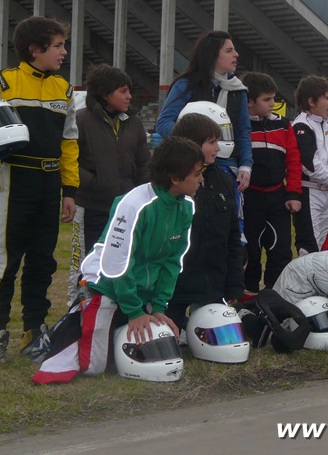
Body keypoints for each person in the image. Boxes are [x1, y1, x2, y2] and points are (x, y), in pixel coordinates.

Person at [0, 16, 78, 364]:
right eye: (58, 46)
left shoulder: (64, 90)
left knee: (43, 261)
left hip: (51, 184)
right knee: (6, 260)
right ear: (35, 49)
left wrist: (70, 190)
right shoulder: (2, 82)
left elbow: (69, 143)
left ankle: (34, 330)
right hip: (16, 179)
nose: (64, 52)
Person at [32, 136, 203, 384]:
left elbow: (172, 262)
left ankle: (115, 320)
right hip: (105, 282)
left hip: (138, 290)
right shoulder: (133, 204)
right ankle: (65, 327)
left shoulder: (186, 206)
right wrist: (134, 312)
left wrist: (158, 308)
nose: (201, 179)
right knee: (93, 366)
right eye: (197, 174)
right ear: (175, 178)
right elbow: (115, 265)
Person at [69, 64, 149, 304]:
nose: (129, 96)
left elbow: (144, 162)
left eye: (129, 90)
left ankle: (114, 309)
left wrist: (143, 195)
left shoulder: (134, 122)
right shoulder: (80, 120)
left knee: (122, 260)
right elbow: (70, 160)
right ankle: (76, 310)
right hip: (91, 206)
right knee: (85, 262)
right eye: (123, 91)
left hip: (125, 209)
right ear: (105, 94)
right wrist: (95, 183)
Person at [165, 113, 246, 328]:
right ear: (191, 144)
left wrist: (234, 285)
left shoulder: (224, 181)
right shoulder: (171, 185)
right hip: (173, 290)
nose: (218, 148)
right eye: (211, 142)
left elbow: (232, 238)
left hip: (213, 288)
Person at [153, 30, 252, 191]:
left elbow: (243, 132)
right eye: (229, 50)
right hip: (190, 166)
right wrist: (192, 143)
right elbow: (164, 122)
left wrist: (246, 166)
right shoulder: (186, 84)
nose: (236, 54)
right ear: (212, 55)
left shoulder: (239, 90)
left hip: (227, 166)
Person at [239, 72, 302, 299]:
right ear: (250, 102)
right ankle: (248, 299)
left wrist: (293, 193)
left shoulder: (284, 125)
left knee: (281, 251)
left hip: (278, 198)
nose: (272, 103)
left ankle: (276, 298)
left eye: (274, 98)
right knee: (251, 252)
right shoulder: (240, 127)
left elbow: (293, 161)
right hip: (250, 199)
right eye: (266, 99)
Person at [291, 75, 328, 255]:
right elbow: (310, 166)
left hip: (326, 191)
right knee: (308, 244)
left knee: (322, 245)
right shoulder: (301, 126)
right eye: (327, 98)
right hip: (308, 191)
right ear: (311, 101)